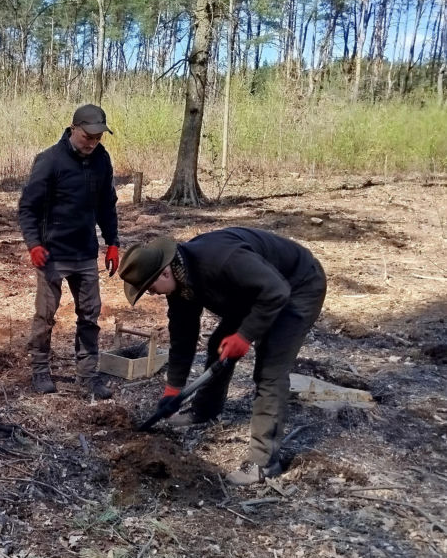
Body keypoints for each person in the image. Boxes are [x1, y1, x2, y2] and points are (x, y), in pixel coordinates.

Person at [117, 228, 327, 486]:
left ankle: (264, 463)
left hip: (296, 286)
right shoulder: (181, 283)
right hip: (253, 293)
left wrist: (245, 335)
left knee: (269, 370)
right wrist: (173, 389)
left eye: (149, 288)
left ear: (165, 272)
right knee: (219, 344)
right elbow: (183, 337)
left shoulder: (221, 260)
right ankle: (206, 410)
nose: (152, 294)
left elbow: (276, 291)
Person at [17, 103, 120, 399]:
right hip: (52, 254)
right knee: (45, 316)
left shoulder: (102, 160)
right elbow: (27, 207)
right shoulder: (50, 160)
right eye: (88, 136)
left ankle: (87, 376)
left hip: (85, 253)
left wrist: (112, 242)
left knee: (90, 315)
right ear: (74, 128)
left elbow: (106, 205)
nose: (92, 143)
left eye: (98, 138)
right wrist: (34, 244)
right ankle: (39, 371)